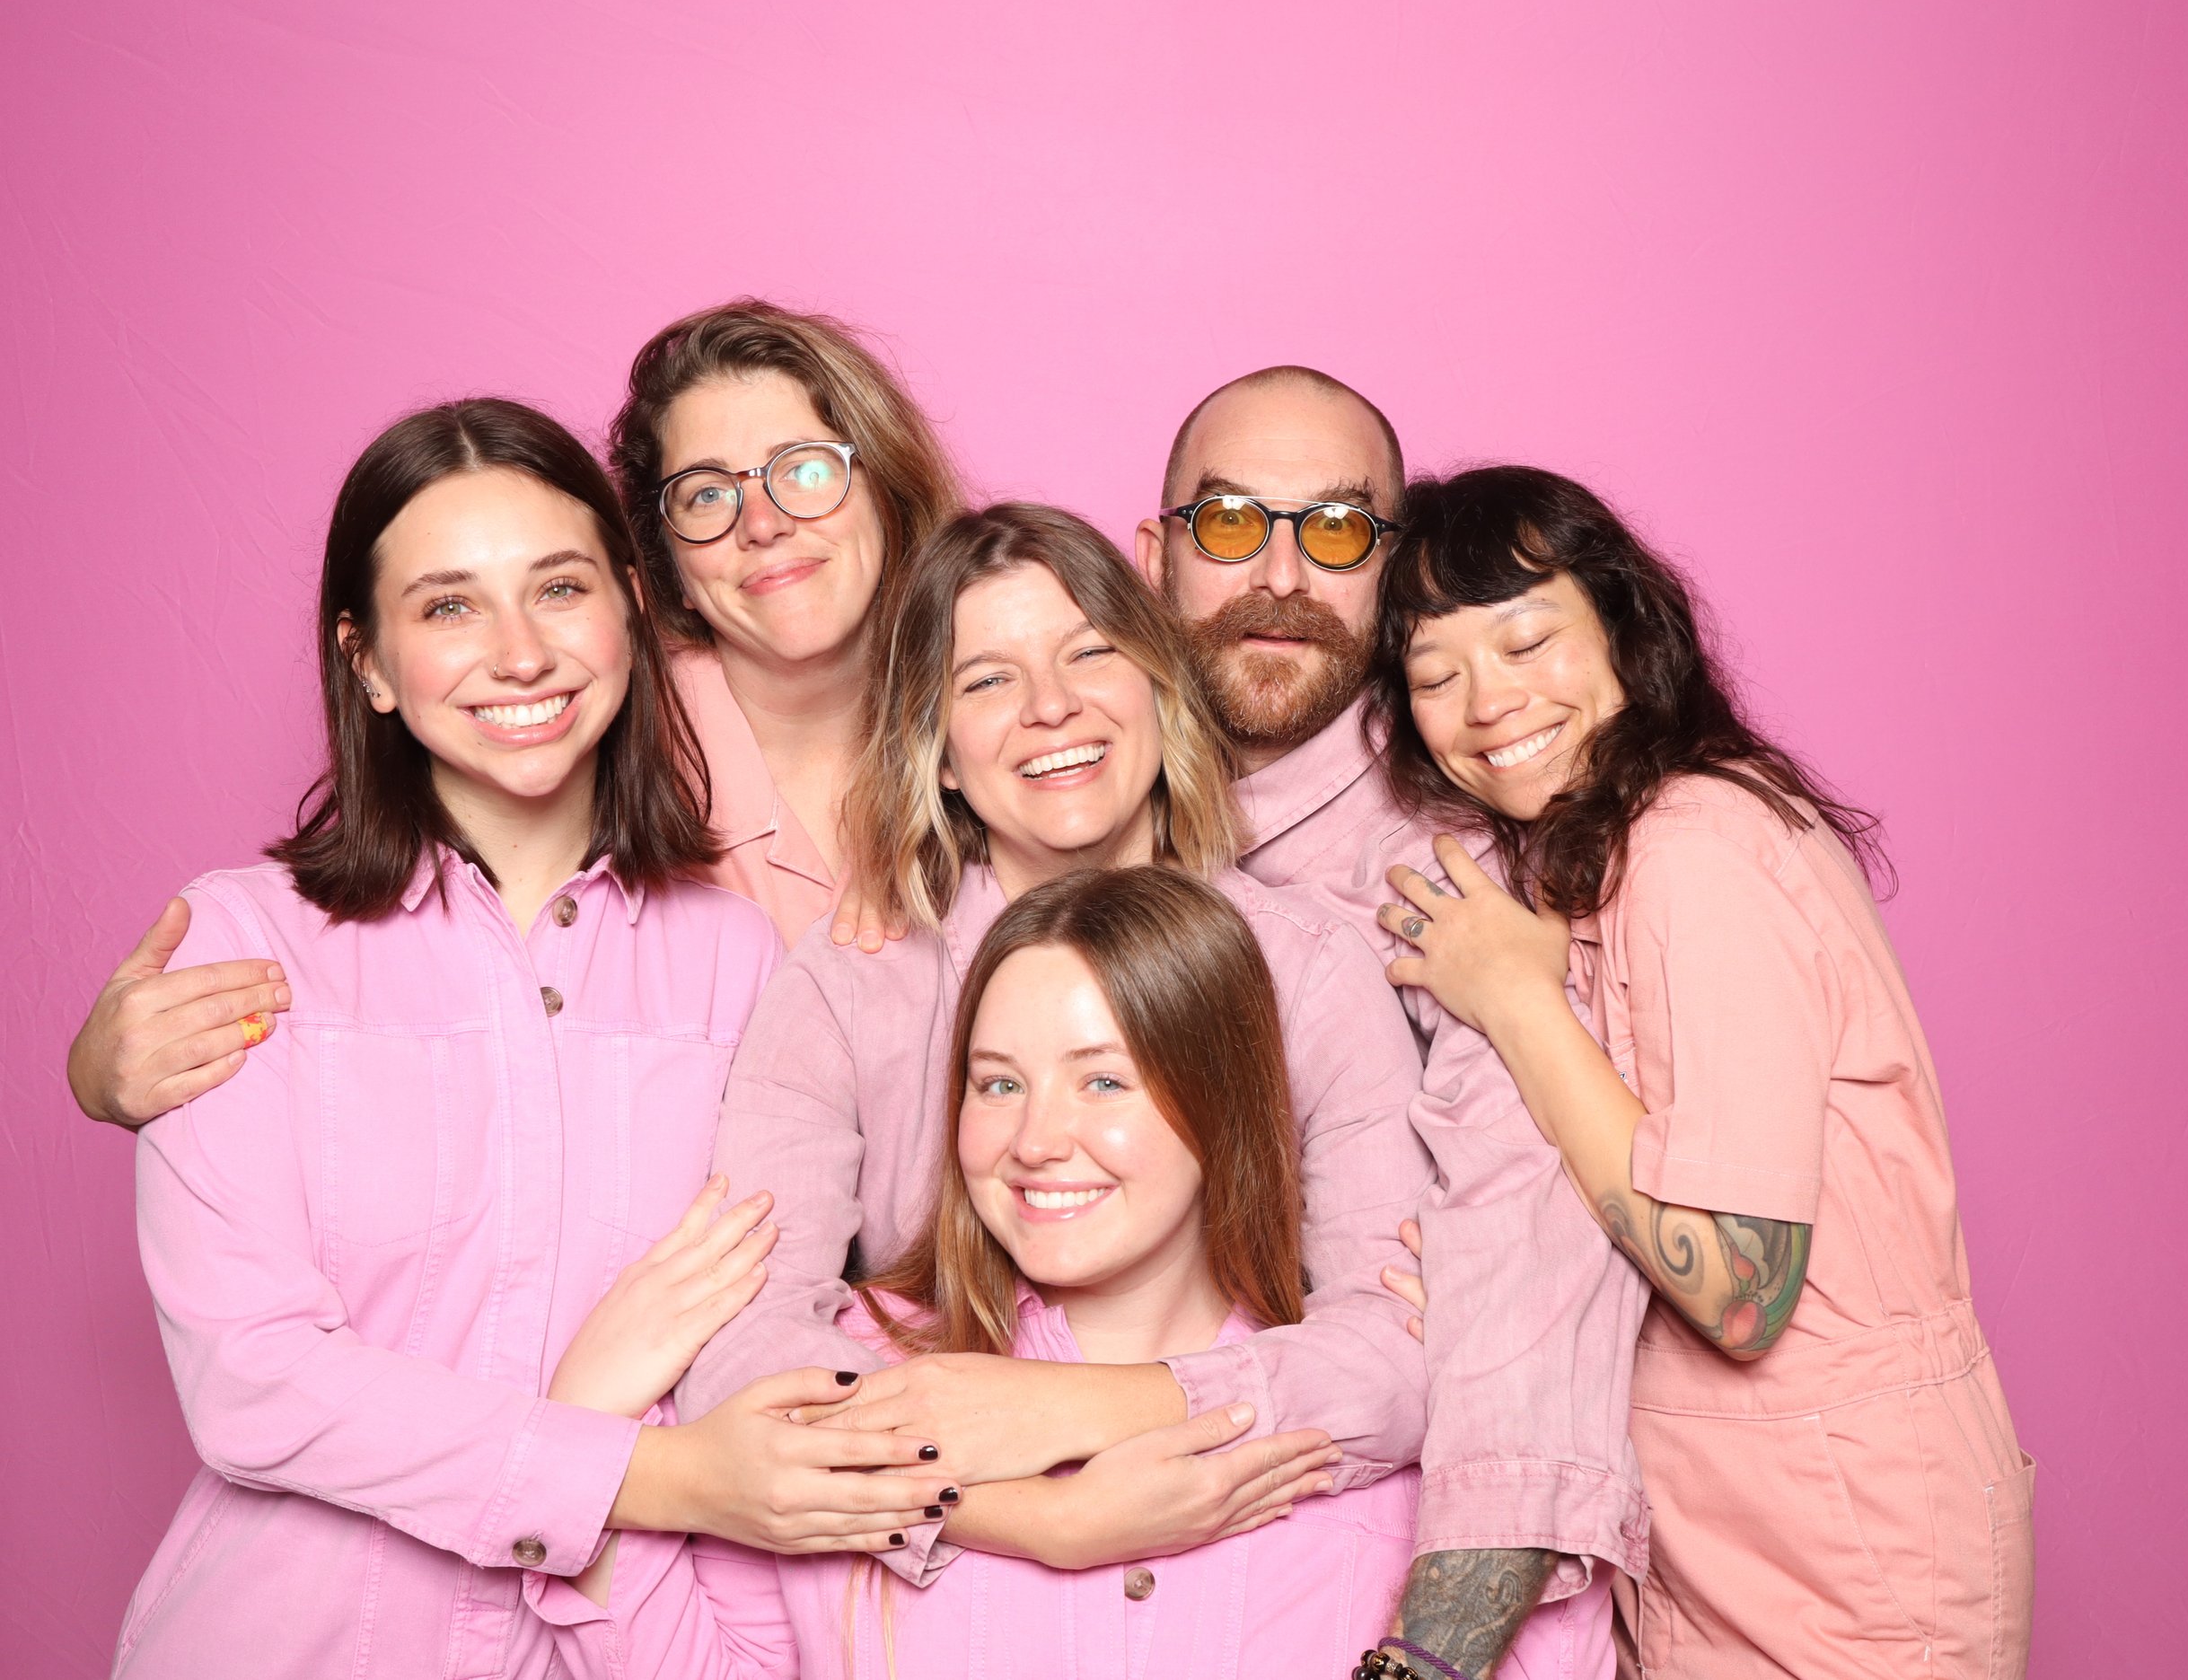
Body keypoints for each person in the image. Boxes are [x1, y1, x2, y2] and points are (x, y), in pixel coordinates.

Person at [112, 400, 954, 1678]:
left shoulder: (739, 959)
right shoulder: (240, 944)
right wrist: (659, 1469)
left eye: (558, 588)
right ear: (369, 662)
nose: (519, 652)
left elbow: (809, 1291)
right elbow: (255, 1381)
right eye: (449, 606)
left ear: (628, 609)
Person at [674, 503, 1475, 1606]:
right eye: (986, 680)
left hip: (1258, 1567)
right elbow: (739, 1347)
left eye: (1091, 653)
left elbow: (1401, 1348)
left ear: (1158, 688)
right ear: (937, 754)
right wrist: (1020, 1513)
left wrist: (1091, 1410)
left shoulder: (1311, 971)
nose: (1051, 707)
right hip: (940, 1598)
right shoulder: (848, 983)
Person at [534, 867, 1589, 1678]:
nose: (1036, 1139)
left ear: (1219, 1104)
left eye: (1103, 1080)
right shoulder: (835, 1398)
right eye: (997, 1084)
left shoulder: (1400, 1440)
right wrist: (578, 1425)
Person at [1367, 464, 2034, 1678]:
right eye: (1434, 673)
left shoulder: (1696, 847)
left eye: (1526, 639)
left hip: (1840, 1551)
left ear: (1624, 626)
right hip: (1713, 1531)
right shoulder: (1601, 856)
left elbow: (1739, 1285)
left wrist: (1517, 999)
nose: (1485, 701)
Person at [67, 298, 962, 1128]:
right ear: (654, 569)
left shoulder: (1009, 702)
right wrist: (101, 1069)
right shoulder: (590, 720)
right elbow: (424, 974)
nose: (762, 522)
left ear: (882, 482)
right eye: (706, 494)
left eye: (806, 469)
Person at [1129, 369, 1650, 1680]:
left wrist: (1429, 1657)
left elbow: (1536, 1269)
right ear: (1156, 555)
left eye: (1341, 529)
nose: (1286, 572)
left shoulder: (1454, 871)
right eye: (1235, 522)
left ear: (1395, 565)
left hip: (1397, 1599)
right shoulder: (1068, 796)